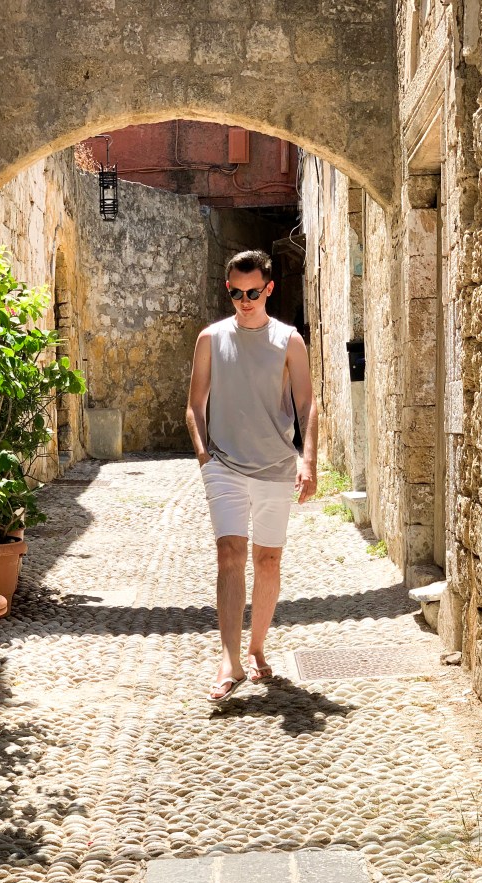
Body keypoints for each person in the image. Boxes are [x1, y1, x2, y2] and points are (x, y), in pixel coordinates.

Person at [186, 249, 318, 702]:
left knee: (268, 560)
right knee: (229, 554)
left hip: (276, 466)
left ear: (268, 289)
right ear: (229, 290)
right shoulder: (210, 338)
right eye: (237, 293)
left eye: (253, 292)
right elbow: (194, 405)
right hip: (223, 466)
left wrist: (308, 460)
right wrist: (205, 457)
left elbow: (307, 404)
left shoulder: (289, 341)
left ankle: (257, 648)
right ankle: (230, 660)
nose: (245, 300)